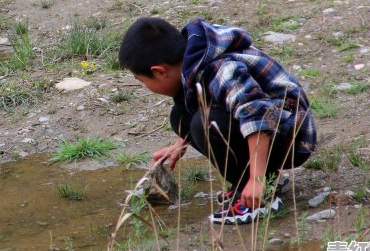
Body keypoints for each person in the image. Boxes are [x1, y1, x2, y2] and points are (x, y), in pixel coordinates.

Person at [118, 17, 316, 225]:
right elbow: (204, 102)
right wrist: (179, 144)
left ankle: (258, 194)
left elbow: (258, 116)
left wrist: (256, 181)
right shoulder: (193, 59)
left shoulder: (220, 70)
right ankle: (264, 179)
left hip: (293, 138)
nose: (145, 86)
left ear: (160, 71)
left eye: (143, 81)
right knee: (180, 117)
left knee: (206, 123)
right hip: (271, 129)